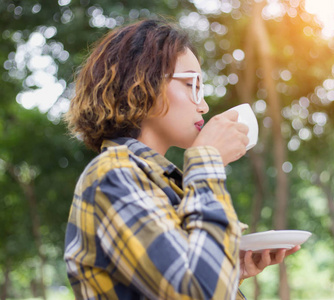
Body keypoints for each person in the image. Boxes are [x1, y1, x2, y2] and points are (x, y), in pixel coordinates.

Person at [64, 18, 300, 299]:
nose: (203, 105)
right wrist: (206, 159)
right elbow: (195, 292)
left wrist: (227, 270)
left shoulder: (156, 183)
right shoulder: (114, 175)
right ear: (141, 85)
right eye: (191, 84)